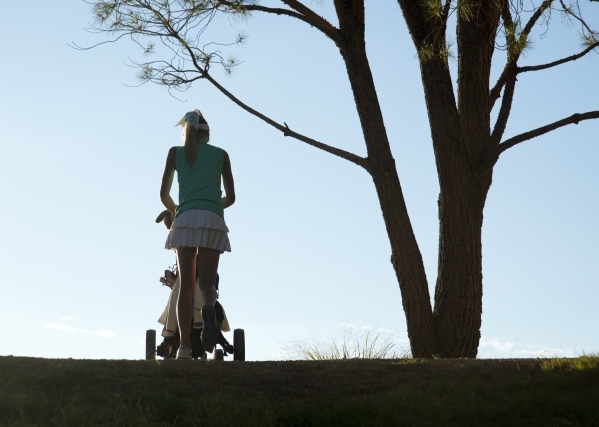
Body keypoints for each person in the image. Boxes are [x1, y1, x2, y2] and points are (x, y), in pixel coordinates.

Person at [160, 109, 235, 360]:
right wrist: (211, 206)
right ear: (207, 134)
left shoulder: (175, 153)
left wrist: (179, 211)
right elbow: (231, 198)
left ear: (186, 132)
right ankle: (209, 310)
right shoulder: (221, 155)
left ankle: (183, 347)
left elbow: (164, 195)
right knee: (207, 283)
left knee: (187, 287)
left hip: (185, 219)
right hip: (213, 220)